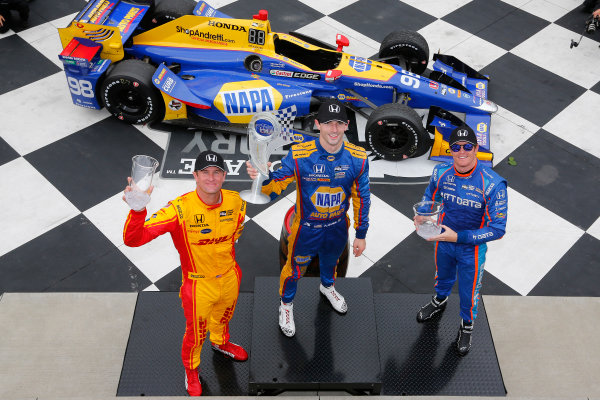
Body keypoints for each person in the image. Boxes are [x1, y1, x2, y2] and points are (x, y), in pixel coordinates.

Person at [123, 150, 248, 397]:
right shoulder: (180, 209)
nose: (211, 178)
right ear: (195, 176)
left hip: (230, 277)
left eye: (217, 172)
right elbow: (133, 239)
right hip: (198, 285)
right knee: (196, 332)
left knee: (224, 316)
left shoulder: (237, 201)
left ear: (224, 176)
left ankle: (221, 342)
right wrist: (138, 211)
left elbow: (235, 235)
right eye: (205, 172)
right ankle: (191, 369)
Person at [246, 99, 371, 337]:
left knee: (331, 263)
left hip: (337, 227)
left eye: (338, 123)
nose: (333, 129)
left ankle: (328, 287)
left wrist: (361, 234)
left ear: (346, 125)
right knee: (293, 270)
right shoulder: (300, 154)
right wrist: (262, 176)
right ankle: (286, 305)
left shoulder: (358, 157)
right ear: (317, 125)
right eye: (327, 123)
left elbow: (362, 197)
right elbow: (274, 187)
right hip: (307, 229)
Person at [414, 125, 507, 356]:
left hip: (471, 250)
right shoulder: (440, 172)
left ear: (476, 149)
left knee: (468, 292)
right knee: (442, 277)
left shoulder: (494, 184)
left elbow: (498, 229)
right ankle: (439, 301)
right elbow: (430, 198)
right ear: (450, 150)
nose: (462, 151)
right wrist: (423, 215)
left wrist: (460, 237)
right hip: (443, 241)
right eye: (456, 147)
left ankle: (467, 325)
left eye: (467, 146)